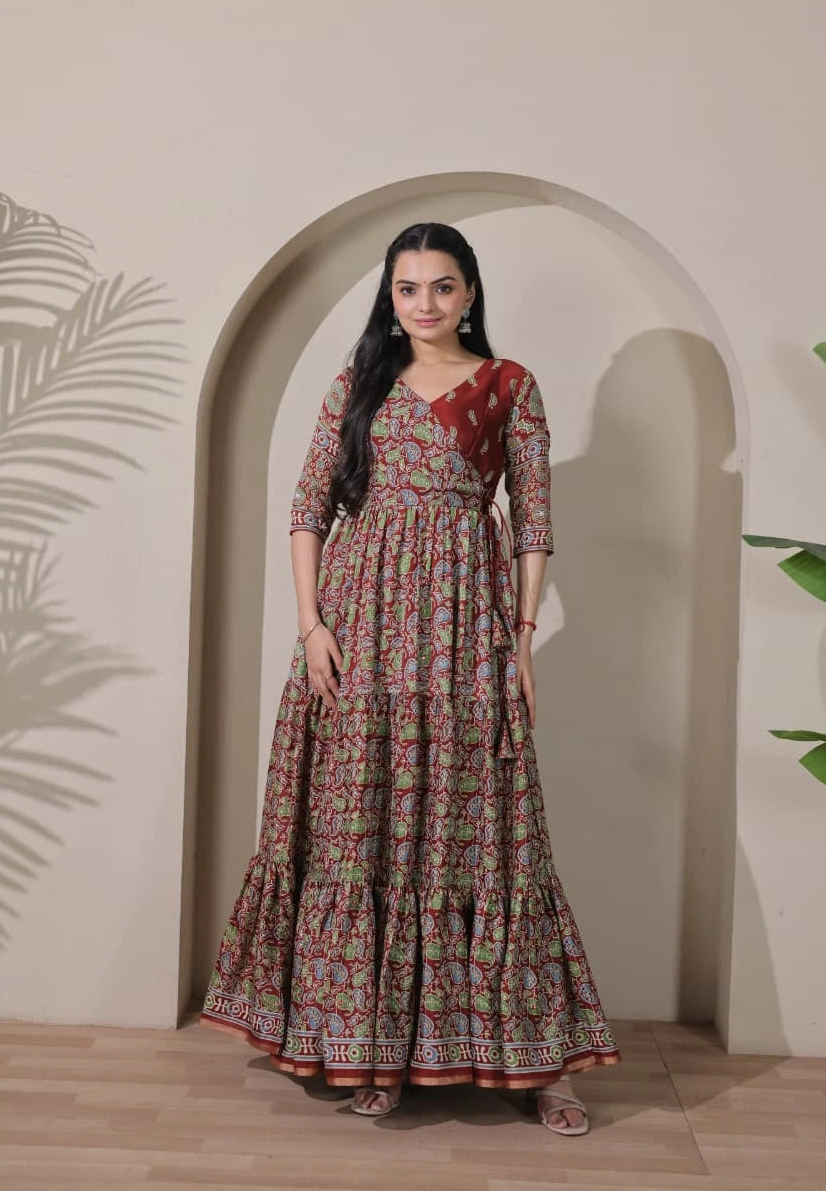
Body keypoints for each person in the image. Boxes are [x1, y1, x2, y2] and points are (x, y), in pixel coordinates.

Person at [200, 222, 622, 1135]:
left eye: (441, 286)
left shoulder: (510, 387)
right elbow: (309, 506)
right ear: (388, 299)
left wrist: (516, 643)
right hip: (360, 625)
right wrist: (311, 626)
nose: (423, 304)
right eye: (406, 289)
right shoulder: (360, 383)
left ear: (469, 292)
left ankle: (536, 1065)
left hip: (463, 631)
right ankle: (371, 1049)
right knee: (367, 828)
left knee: (486, 832)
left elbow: (536, 524)